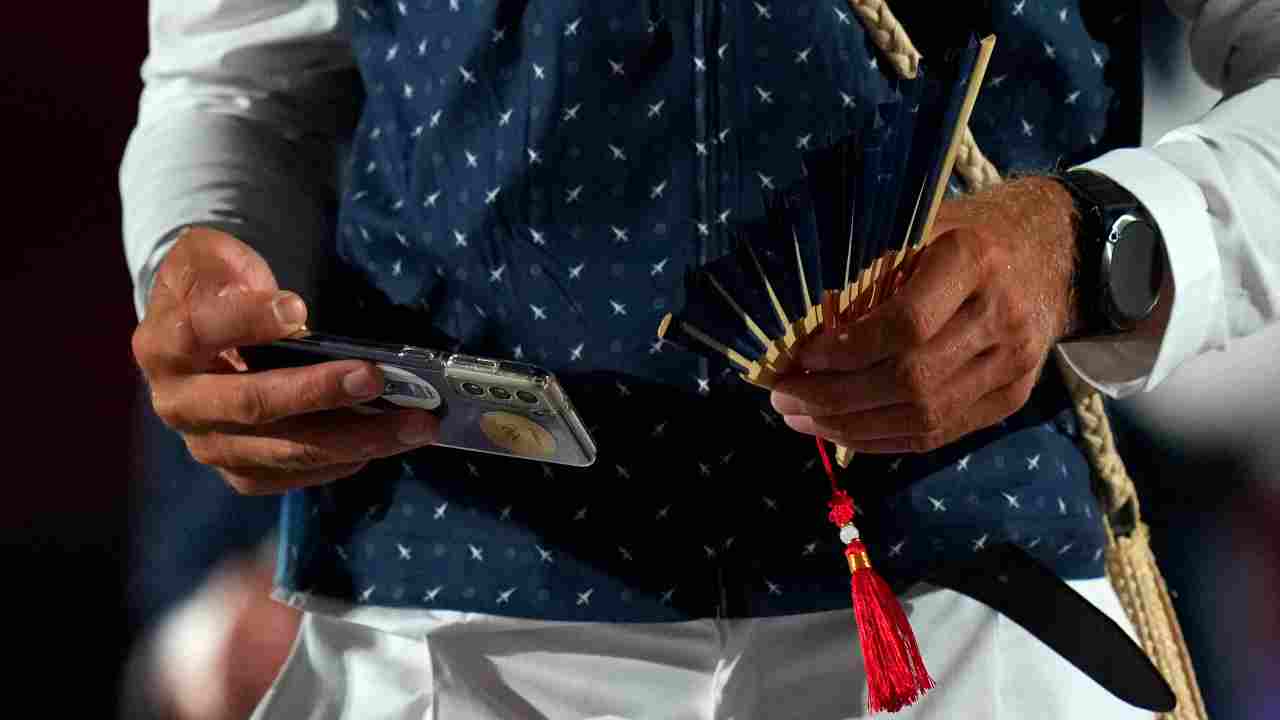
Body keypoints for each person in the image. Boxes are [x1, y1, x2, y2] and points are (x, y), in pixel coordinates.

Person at [123, 0, 1279, 717]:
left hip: (963, 612)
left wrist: (1091, 245)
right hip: (438, 614)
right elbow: (244, 74)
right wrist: (199, 255)